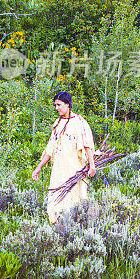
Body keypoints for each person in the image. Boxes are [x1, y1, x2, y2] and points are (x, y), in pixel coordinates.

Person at [31, 91, 96, 223]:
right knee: (57, 198)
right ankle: (57, 225)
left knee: (74, 199)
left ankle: (74, 225)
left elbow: (87, 144)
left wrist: (92, 165)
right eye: (55, 105)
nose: (57, 108)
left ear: (67, 104)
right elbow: (50, 149)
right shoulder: (57, 123)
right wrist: (38, 168)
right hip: (59, 169)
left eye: (59, 105)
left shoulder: (79, 122)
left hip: (74, 168)